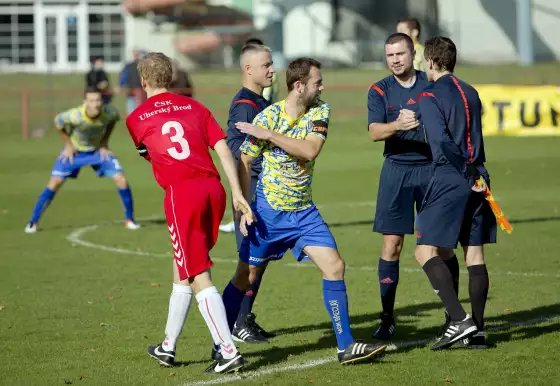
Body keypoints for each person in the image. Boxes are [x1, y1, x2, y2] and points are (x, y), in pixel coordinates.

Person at [222, 57, 387, 365]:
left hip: (304, 214)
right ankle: (221, 345)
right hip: (269, 214)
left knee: (335, 267)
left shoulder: (319, 110)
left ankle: (345, 346)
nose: (322, 87)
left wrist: (269, 136)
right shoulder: (268, 116)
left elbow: (310, 150)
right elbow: (243, 162)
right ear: (299, 86)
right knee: (246, 276)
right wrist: (243, 205)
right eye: (317, 83)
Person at [125, 52, 251, 373]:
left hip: (182, 195)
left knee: (197, 272)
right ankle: (167, 346)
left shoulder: (136, 118)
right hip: (214, 190)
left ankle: (227, 350)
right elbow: (223, 149)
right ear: (172, 78)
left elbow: (148, 153)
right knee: (183, 266)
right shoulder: (196, 107)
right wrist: (237, 193)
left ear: (143, 81)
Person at [416, 36, 496, 350]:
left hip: (452, 176)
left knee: (425, 251)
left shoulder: (430, 94)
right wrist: (474, 170)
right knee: (473, 254)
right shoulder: (471, 91)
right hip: (480, 176)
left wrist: (462, 169)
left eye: (424, 62)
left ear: (432, 62)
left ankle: (459, 319)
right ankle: (477, 331)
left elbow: (442, 140)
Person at [368, 32, 441, 340]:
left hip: (430, 172)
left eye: (400, 54)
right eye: (390, 55)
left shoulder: (432, 86)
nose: (395, 60)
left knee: (438, 247)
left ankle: (452, 313)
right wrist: (397, 125)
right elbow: (374, 132)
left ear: (414, 54)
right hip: (396, 172)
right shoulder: (379, 90)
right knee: (391, 246)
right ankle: (387, 318)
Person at [219, 43, 276, 343]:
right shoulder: (245, 105)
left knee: (259, 259)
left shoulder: (260, 102)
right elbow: (236, 153)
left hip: (263, 190)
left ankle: (243, 317)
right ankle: (235, 323)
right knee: (250, 262)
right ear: (248, 69)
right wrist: (241, 199)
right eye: (266, 65)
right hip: (250, 193)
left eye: (272, 63)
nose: (272, 69)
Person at [25, 87, 139, 234]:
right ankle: (33, 222)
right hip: (75, 152)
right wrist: (68, 145)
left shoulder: (109, 112)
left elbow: (113, 121)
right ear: (85, 102)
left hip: (98, 151)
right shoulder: (75, 115)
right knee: (55, 183)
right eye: (91, 101)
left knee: (121, 179)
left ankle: (130, 220)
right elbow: (57, 121)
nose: (95, 104)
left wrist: (104, 143)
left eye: (98, 100)